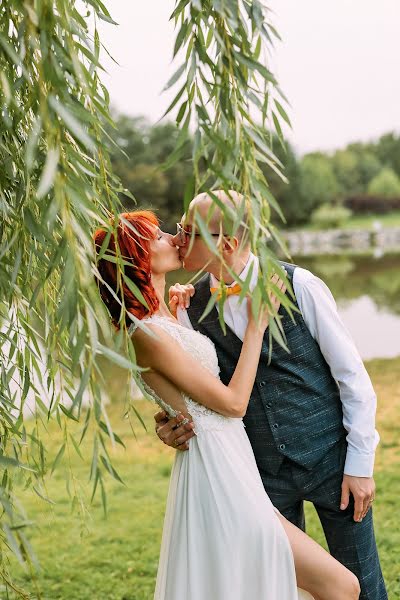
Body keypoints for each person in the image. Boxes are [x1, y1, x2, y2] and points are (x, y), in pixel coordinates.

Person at [93, 210, 360, 600]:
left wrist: (181, 308)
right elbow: (233, 404)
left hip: (234, 465)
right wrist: (256, 326)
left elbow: (187, 386)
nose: (173, 238)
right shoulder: (144, 332)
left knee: (270, 586)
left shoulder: (165, 315)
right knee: (340, 587)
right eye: (158, 237)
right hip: (219, 476)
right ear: (137, 258)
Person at [155, 190, 388, 600]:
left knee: (363, 587)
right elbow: (195, 393)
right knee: (277, 587)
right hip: (260, 475)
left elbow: (352, 378)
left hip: (332, 463)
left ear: (225, 244)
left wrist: (360, 464)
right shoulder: (188, 307)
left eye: (189, 231)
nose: (178, 237)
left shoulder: (301, 285)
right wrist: (170, 422)